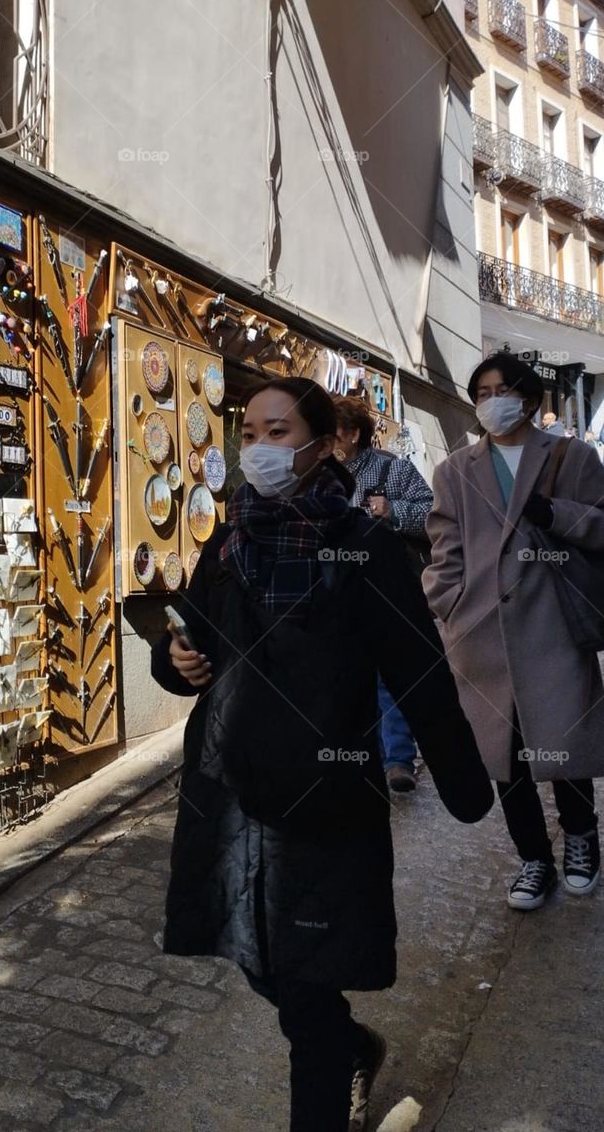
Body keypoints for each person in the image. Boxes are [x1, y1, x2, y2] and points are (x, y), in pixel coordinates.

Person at [152, 377, 492, 1132]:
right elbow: (191, 636)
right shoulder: (231, 534)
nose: (260, 448)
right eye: (251, 431)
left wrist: (465, 780)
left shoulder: (361, 543)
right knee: (256, 959)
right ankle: (349, 1046)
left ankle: (332, 1071)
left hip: (324, 797)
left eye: (278, 431)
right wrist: (174, 655)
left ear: (320, 443)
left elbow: (418, 666)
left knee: (306, 981)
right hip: (233, 792)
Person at [424, 352, 604, 911]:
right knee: (505, 756)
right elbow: (443, 547)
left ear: (527, 397)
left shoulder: (571, 456)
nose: (490, 401)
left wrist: (556, 515)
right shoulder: (454, 470)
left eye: (501, 389)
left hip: (552, 626)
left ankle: (581, 839)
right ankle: (533, 858)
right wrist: (448, 600)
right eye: (481, 392)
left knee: (563, 743)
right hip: (480, 635)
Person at [333, 396, 433, 795]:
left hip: (388, 591)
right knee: (349, 679)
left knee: (387, 678)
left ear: (353, 434)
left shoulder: (391, 468)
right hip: (338, 594)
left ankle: (397, 761)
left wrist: (393, 510)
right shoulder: (318, 475)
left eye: (332, 431)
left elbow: (433, 514)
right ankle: (365, 759)